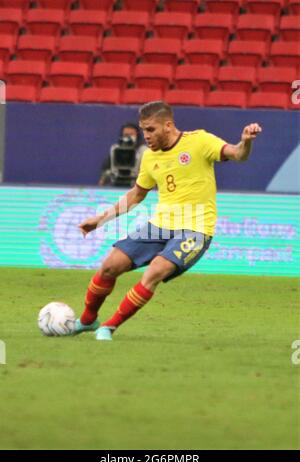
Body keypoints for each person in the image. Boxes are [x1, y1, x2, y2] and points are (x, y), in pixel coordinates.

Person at [76, 101, 262, 340]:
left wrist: (245, 141)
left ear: (168, 125)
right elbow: (136, 194)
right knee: (110, 266)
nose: (146, 136)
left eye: (151, 130)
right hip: (160, 226)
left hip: (195, 229)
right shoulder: (150, 158)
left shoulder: (199, 141)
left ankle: (108, 327)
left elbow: (237, 154)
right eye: (144, 130)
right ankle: (87, 320)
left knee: (155, 270)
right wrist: (101, 220)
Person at [98, 122, 147, 186]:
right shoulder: (115, 149)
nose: (129, 137)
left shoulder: (144, 151)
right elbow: (106, 168)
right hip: (116, 183)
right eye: (126, 135)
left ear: (137, 136)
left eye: (131, 134)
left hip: (136, 185)